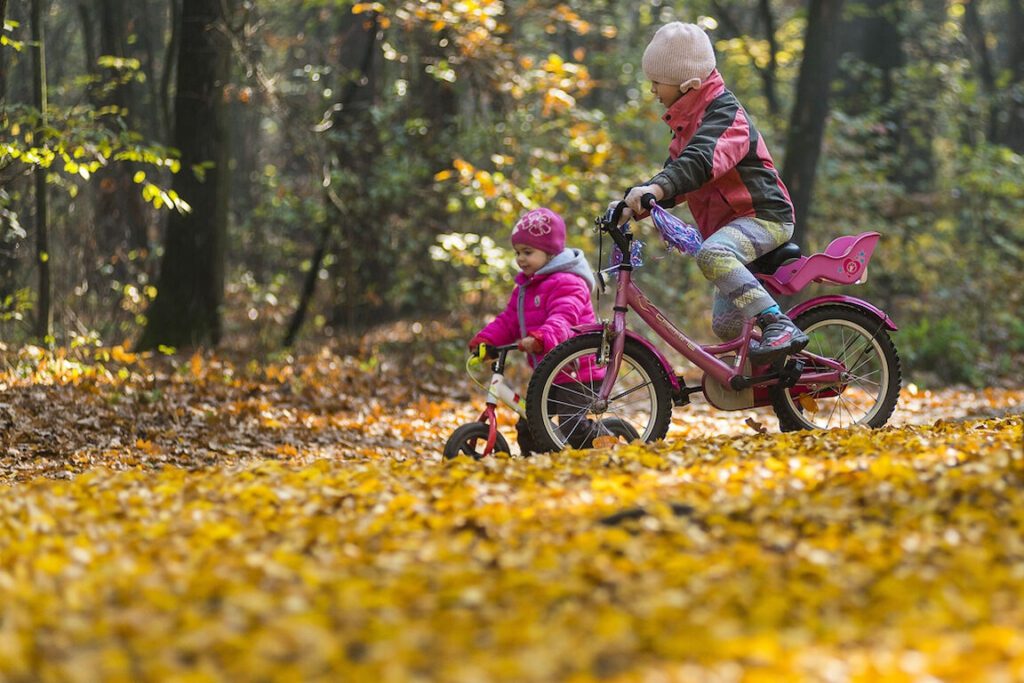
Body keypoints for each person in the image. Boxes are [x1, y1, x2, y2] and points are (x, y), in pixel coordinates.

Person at [616, 21, 808, 364]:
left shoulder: (725, 116)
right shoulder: (687, 125)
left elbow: (701, 162)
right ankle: (775, 376)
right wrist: (635, 203)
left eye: (657, 83)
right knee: (725, 324)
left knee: (711, 255)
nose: (652, 91)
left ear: (687, 83)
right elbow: (676, 179)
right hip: (732, 227)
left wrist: (657, 188)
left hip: (764, 217)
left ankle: (779, 324)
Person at [468, 208, 601, 453]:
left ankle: (611, 445)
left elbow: (564, 318)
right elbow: (509, 321)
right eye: (518, 252)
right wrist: (486, 340)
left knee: (573, 425)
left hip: (578, 373)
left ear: (550, 252)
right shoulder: (525, 288)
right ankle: (537, 466)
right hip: (549, 372)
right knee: (530, 424)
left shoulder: (569, 282)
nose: (520, 259)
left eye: (528, 252)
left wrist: (541, 338)